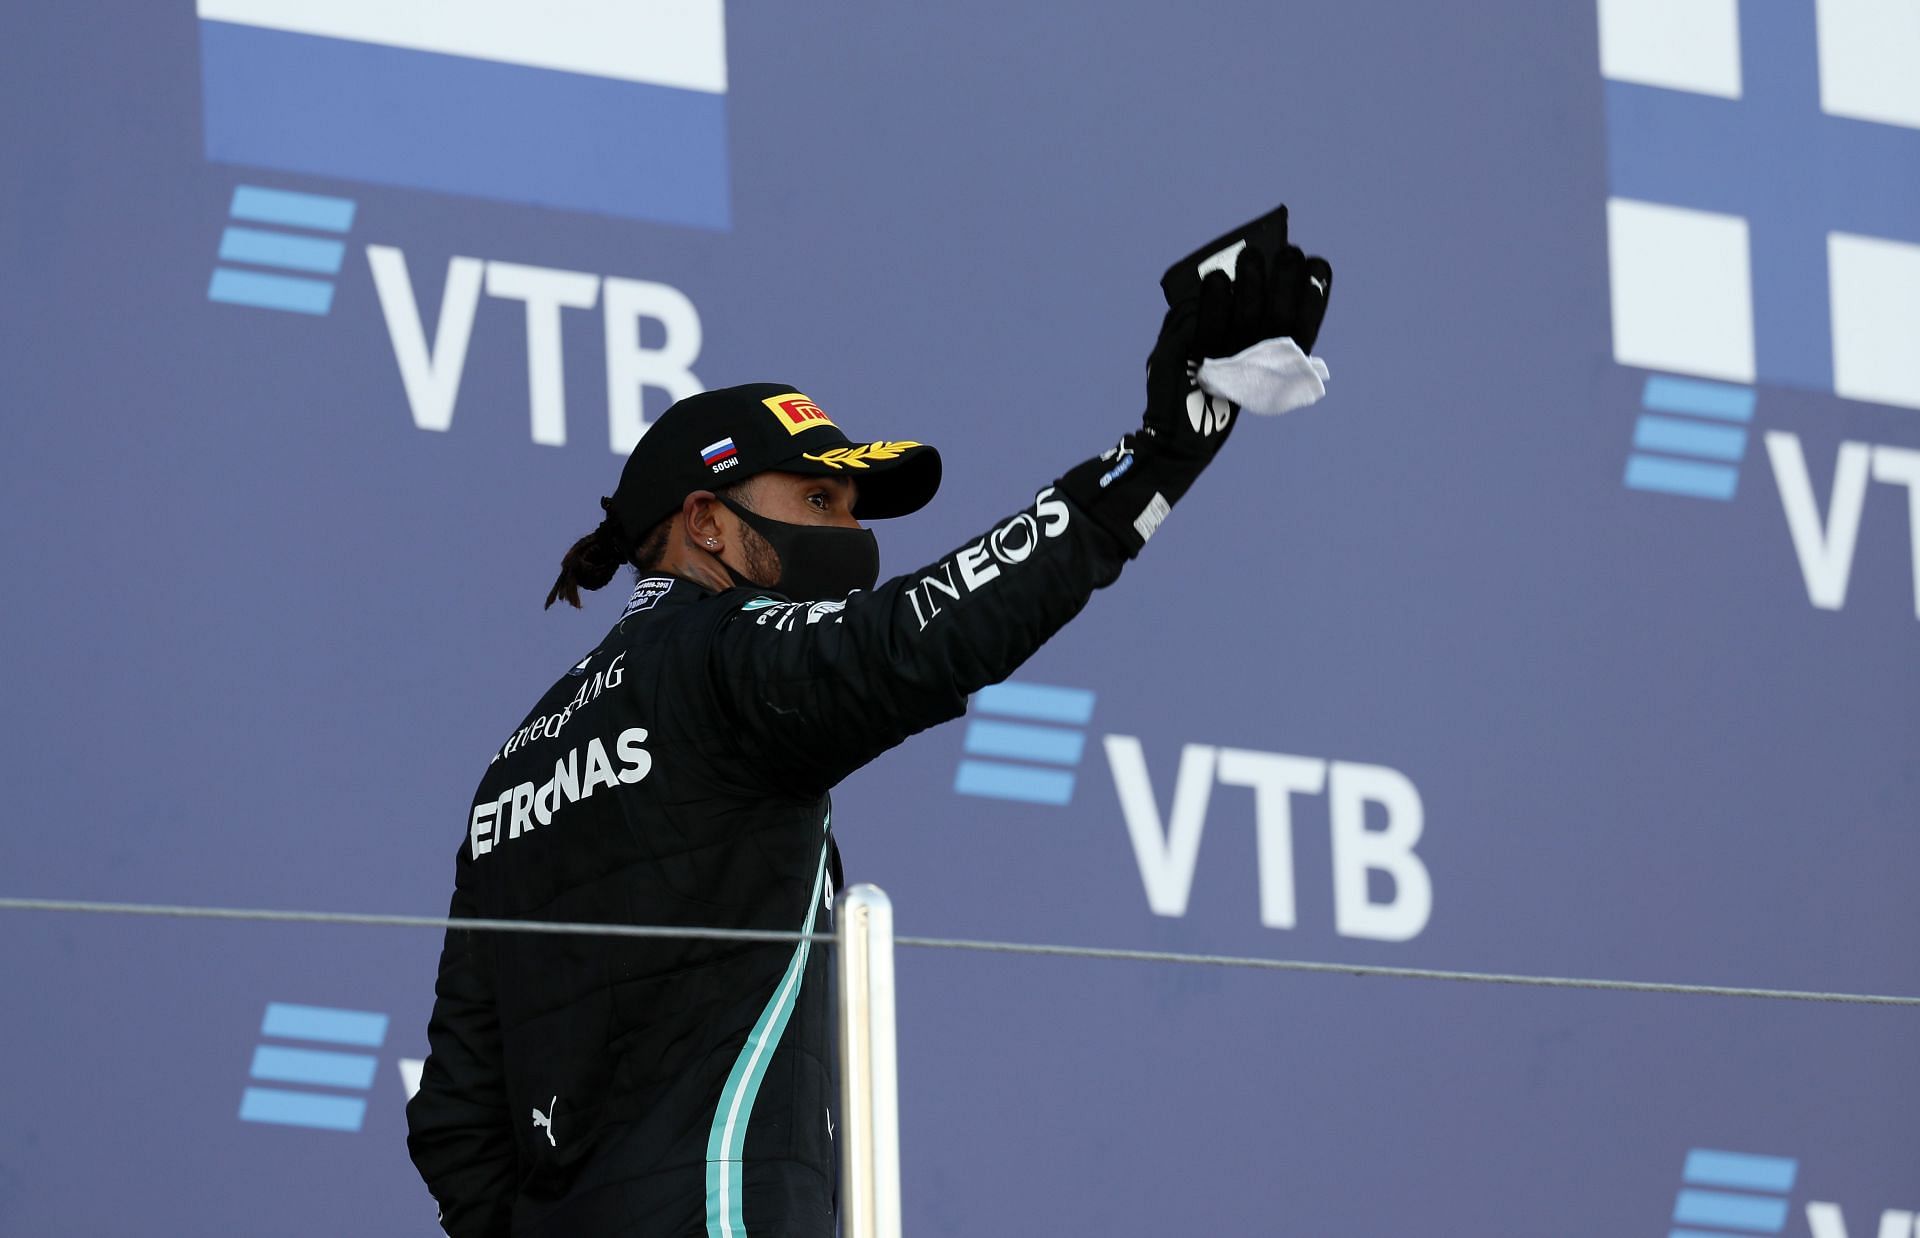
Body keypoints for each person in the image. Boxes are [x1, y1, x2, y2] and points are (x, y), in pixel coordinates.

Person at [405, 205, 1333, 1238]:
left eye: (856, 510)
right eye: (819, 502)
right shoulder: (722, 658)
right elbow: (920, 636)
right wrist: (1156, 458)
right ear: (705, 521)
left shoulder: (511, 772)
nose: (850, 535)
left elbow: (453, 1120)